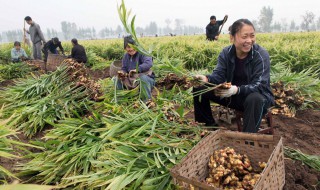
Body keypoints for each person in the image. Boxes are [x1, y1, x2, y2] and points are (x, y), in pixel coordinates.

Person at [194, 19, 274, 133]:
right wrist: (206, 79)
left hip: (258, 99)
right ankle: (208, 127)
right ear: (232, 38)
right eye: (244, 36)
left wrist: (237, 89)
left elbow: (260, 85)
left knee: (254, 98)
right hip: (233, 95)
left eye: (252, 36)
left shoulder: (260, 55)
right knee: (199, 87)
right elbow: (219, 76)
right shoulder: (226, 53)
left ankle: (248, 139)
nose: (249, 40)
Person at [115, 35, 155, 101]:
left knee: (143, 78)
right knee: (116, 79)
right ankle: (121, 100)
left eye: (133, 46)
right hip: (132, 80)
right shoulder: (125, 56)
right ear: (125, 48)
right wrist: (122, 73)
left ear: (136, 46)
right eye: (128, 47)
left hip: (146, 79)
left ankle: (146, 101)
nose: (131, 49)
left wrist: (137, 69)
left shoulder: (143, 53)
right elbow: (124, 68)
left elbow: (148, 63)